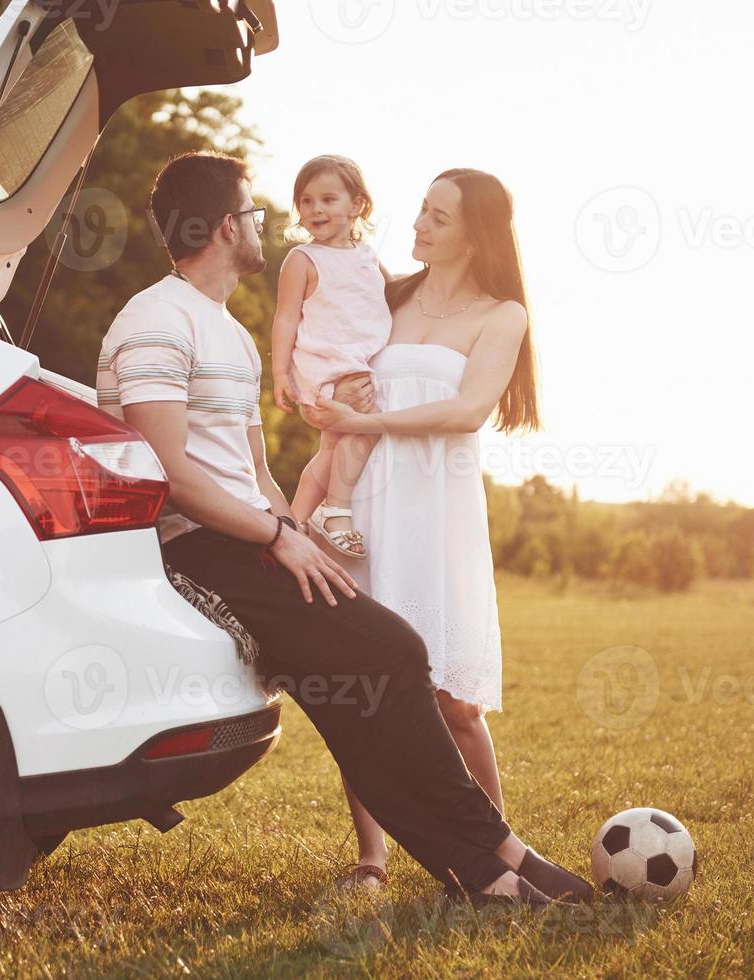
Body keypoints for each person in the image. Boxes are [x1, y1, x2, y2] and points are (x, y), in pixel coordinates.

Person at [95, 150, 590, 905]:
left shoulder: (222, 330)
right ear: (228, 228)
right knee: (392, 651)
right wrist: (276, 538)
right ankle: (495, 854)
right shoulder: (157, 319)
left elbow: (252, 467)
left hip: (252, 534)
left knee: (361, 692)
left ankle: (485, 869)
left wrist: (289, 525)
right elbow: (171, 479)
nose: (273, 224)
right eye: (257, 214)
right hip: (199, 546)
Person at [305, 168, 540, 893]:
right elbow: (335, 375)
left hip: (436, 516)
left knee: (452, 700)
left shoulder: (502, 315)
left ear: (475, 234)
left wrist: (366, 419)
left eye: (437, 217)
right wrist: (318, 461)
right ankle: (370, 859)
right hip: (364, 505)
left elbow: (468, 410)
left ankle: (494, 847)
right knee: (364, 690)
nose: (418, 224)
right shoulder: (387, 295)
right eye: (420, 210)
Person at [270, 155, 392, 559]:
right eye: (306, 201)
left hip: (355, 364)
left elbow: (395, 291)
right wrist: (281, 375)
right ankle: (336, 510)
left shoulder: (367, 255)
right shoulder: (303, 259)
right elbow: (286, 319)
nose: (315, 209)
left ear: (357, 205)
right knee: (364, 429)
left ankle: (294, 522)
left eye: (328, 199)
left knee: (331, 449)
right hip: (327, 367)